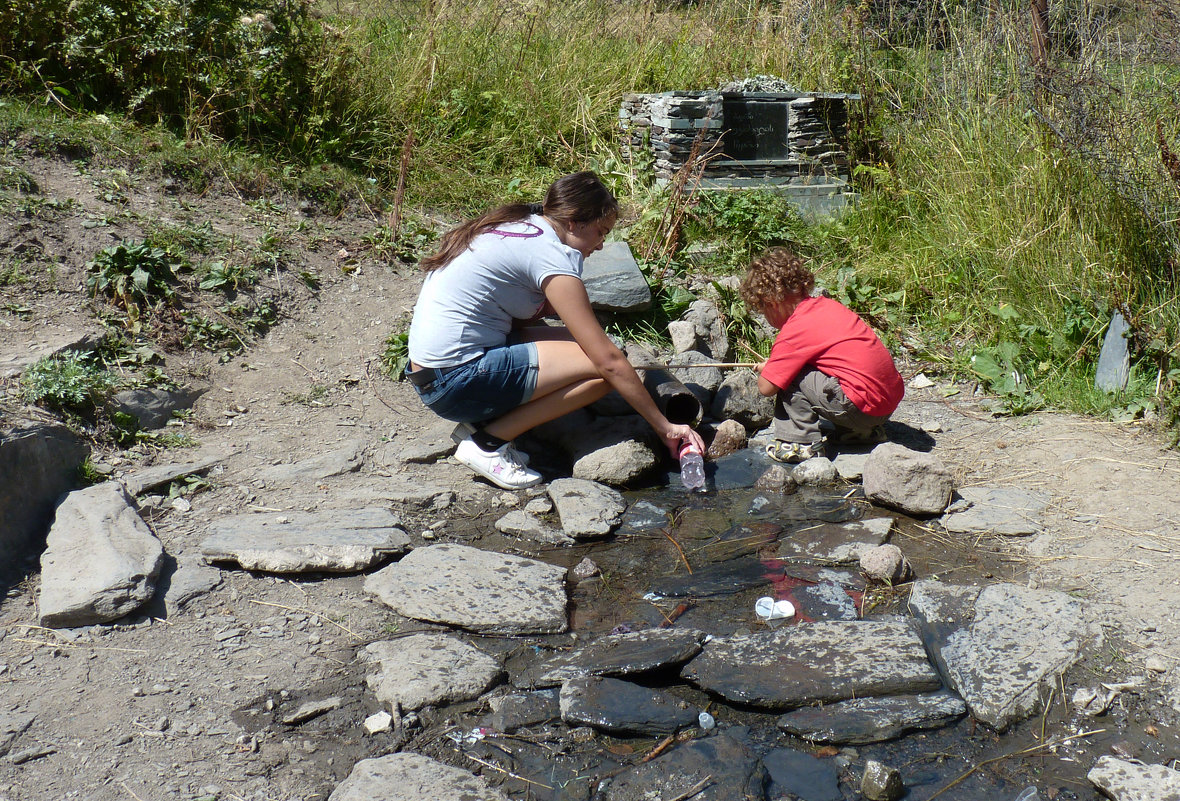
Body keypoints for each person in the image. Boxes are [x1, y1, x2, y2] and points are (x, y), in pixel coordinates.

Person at [406, 171, 705, 489]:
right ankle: (488, 443)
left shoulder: (524, 226)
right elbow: (607, 361)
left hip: (432, 374)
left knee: (588, 349)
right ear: (575, 222)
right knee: (603, 369)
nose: (602, 245)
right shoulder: (552, 255)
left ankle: (485, 423)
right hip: (455, 383)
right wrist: (665, 427)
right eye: (601, 232)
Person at [739, 247, 904, 463]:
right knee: (817, 370)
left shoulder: (795, 329)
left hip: (861, 408)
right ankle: (859, 433)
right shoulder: (827, 306)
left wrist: (769, 370)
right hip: (886, 405)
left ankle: (799, 444)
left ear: (772, 302)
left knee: (790, 376)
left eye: (763, 311)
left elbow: (767, 387)